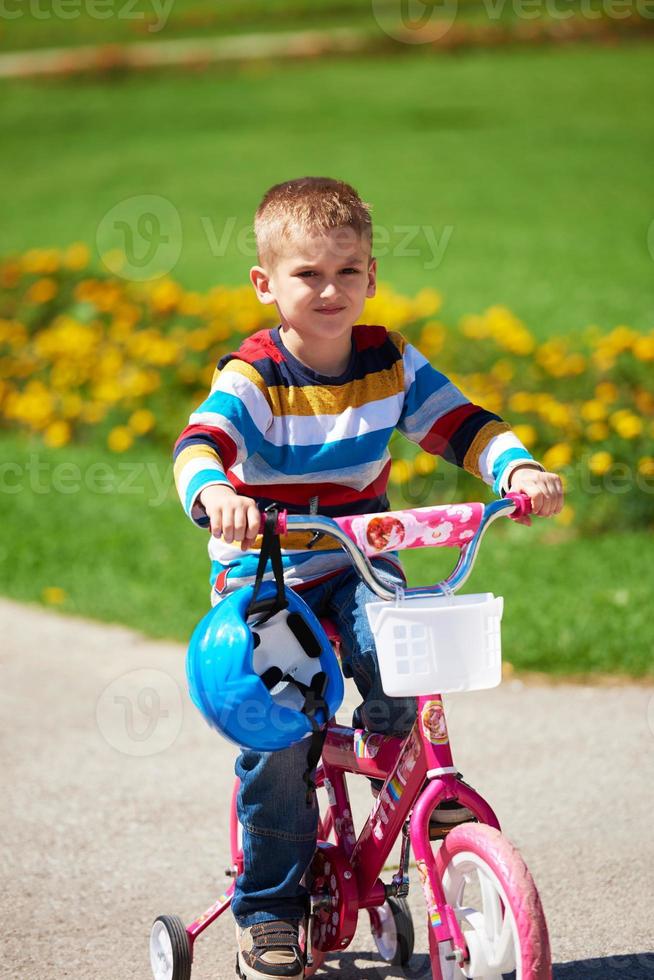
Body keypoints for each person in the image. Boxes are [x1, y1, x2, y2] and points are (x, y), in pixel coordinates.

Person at [173, 176, 564, 980]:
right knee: (281, 743)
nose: (329, 289)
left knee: (406, 661)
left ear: (372, 279)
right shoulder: (256, 374)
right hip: (267, 572)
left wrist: (516, 469)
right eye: (308, 274)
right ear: (266, 284)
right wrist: (216, 492)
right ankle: (272, 910)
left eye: (348, 272)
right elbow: (199, 443)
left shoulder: (390, 361)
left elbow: (462, 424)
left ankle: (411, 788)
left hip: (356, 558)